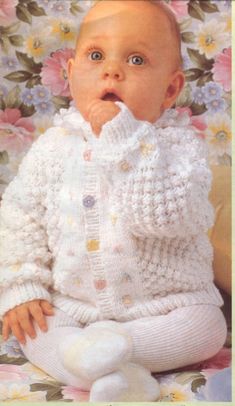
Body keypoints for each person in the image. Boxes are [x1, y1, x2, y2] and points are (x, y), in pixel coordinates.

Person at [0, 0, 227, 401]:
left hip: (167, 305)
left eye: (137, 59)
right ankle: (106, 369)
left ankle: (102, 359)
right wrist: (24, 286)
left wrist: (124, 139)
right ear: (70, 76)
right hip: (74, 306)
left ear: (170, 89)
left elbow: (166, 216)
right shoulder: (53, 148)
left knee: (208, 328)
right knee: (32, 327)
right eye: (95, 55)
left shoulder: (179, 147)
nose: (112, 70)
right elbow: (20, 217)